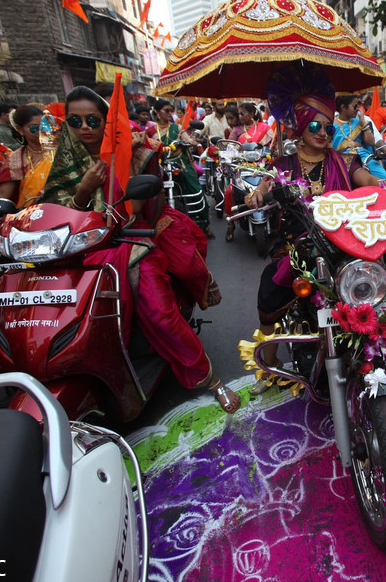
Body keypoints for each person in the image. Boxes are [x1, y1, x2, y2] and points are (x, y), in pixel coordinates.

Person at [41, 86, 239, 413]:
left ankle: (210, 378)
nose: (85, 127)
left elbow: (147, 206)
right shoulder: (62, 161)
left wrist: (129, 167)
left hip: (131, 239)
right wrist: (84, 190)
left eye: (93, 120)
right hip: (78, 248)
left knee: (159, 312)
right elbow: (53, 212)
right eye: (75, 121)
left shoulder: (137, 150)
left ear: (107, 122)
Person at [246, 63, 386, 394]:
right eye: (315, 125)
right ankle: (267, 369)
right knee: (272, 288)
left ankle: (377, 350)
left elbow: (371, 182)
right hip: (299, 243)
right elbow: (266, 184)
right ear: (300, 126)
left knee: (381, 283)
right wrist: (257, 192)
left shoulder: (344, 161)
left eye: (328, 127)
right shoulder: (283, 165)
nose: (323, 133)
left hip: (345, 240)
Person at [152, 98, 213, 238]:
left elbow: (187, 139)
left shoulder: (177, 128)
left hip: (180, 164)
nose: (170, 113)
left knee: (196, 191)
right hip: (160, 166)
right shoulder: (151, 131)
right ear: (157, 112)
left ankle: (205, 225)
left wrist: (191, 141)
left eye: (171, 110)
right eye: (166, 111)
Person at [0, 106, 53, 206]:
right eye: (34, 128)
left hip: (67, 210)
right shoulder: (16, 159)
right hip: (32, 213)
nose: (41, 131)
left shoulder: (61, 150)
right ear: (20, 129)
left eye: (44, 127)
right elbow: (2, 194)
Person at [332, 94, 385, 178]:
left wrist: (363, 122)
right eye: (355, 106)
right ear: (343, 107)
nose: (358, 109)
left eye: (358, 105)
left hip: (364, 159)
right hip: (341, 161)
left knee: (385, 178)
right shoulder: (331, 126)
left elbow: (371, 142)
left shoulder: (359, 122)